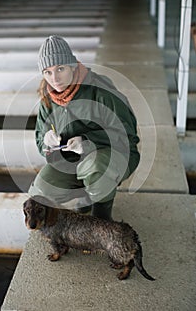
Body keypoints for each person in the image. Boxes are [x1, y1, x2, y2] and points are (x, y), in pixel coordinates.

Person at [28, 35, 140, 221]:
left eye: (60, 69)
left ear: (72, 65)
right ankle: (87, 195)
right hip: (71, 161)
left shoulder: (100, 91)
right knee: (42, 191)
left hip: (110, 157)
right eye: (47, 72)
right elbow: (40, 138)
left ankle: (102, 219)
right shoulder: (48, 97)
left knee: (95, 168)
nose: (54, 78)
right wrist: (46, 141)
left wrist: (88, 143)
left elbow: (128, 137)